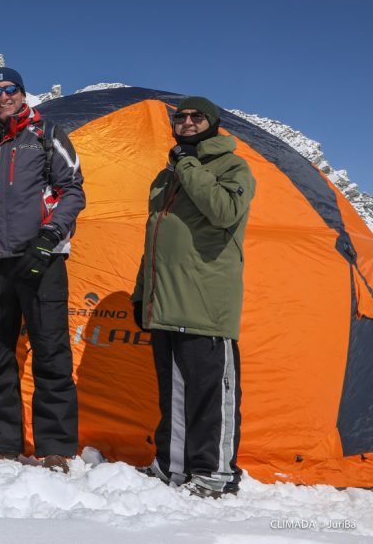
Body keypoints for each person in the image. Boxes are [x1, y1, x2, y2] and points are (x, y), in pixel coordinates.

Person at [0, 67, 85, 472]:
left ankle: (56, 446)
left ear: (23, 95)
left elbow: (72, 190)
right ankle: (3, 441)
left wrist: (48, 237)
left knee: (51, 353)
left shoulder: (46, 136)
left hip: (42, 261)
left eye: (10, 90)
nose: (3, 96)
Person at [131, 97, 255, 498]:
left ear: (213, 123)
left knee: (210, 395)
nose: (185, 121)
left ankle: (214, 473)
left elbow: (222, 210)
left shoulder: (231, 167)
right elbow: (157, 237)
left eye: (195, 116)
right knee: (175, 394)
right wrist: (140, 294)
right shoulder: (166, 175)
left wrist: (186, 164)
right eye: (179, 116)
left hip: (205, 301)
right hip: (164, 301)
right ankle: (172, 465)